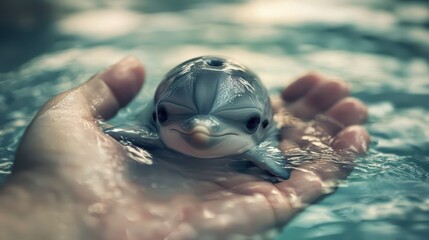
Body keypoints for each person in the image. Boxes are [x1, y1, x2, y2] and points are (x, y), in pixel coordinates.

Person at [0, 56, 369, 239]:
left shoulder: (266, 153)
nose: (199, 130)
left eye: (248, 122)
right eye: (169, 115)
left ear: (262, 128)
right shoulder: (133, 135)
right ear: (155, 117)